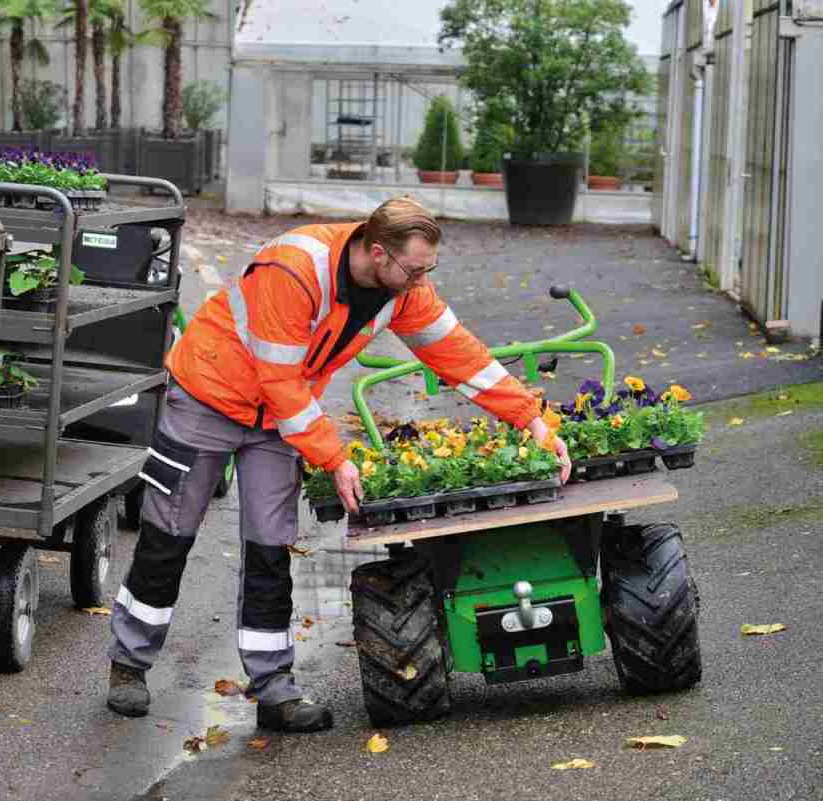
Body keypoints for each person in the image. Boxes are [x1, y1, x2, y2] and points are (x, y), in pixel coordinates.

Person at [106, 197, 571, 733]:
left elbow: (457, 353)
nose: (422, 279)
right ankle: (129, 666)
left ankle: (275, 691)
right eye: (415, 268)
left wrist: (532, 419)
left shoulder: (402, 290)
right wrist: (335, 458)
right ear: (378, 252)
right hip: (209, 395)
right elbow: (278, 379)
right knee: (169, 534)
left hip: (279, 419)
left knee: (270, 547)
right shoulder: (295, 268)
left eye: (428, 269)